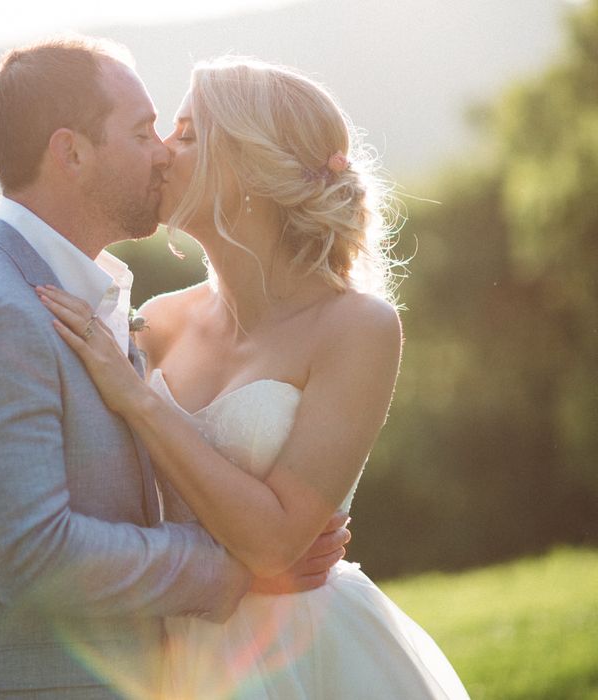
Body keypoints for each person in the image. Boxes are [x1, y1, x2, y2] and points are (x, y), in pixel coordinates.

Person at [0, 39, 349, 700]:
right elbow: (37, 557)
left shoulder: (83, 293)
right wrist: (239, 572)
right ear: (71, 152)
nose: (164, 151)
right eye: (141, 132)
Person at [40, 56, 471, 698]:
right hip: (175, 652)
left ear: (246, 169)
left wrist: (137, 400)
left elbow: (275, 543)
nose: (159, 152)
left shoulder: (359, 328)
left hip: (309, 652)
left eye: (186, 134)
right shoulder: (153, 323)